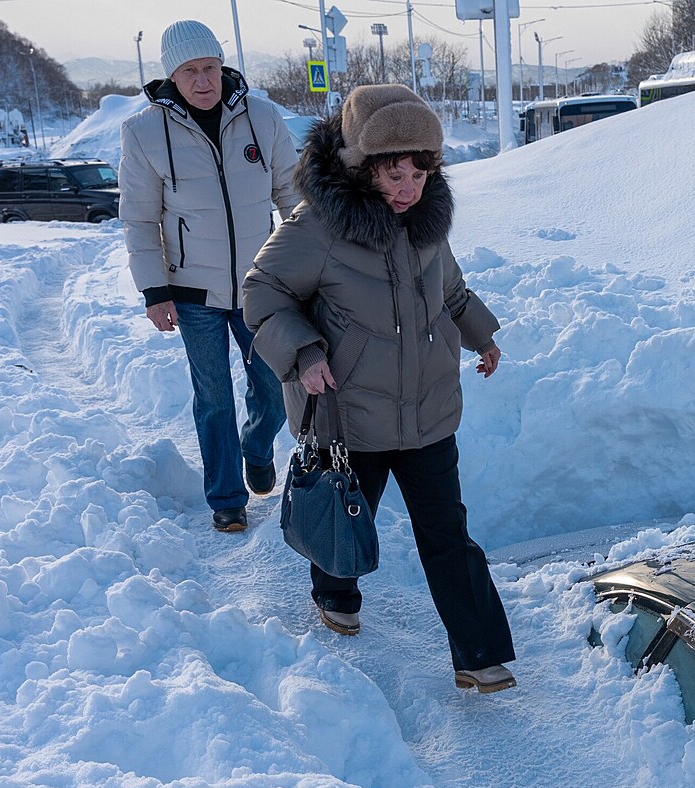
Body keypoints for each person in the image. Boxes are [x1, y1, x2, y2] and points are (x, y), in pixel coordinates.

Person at [242, 85, 516, 694]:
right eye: (396, 174)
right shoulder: (317, 227)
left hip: (428, 410)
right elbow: (261, 292)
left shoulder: (426, 223)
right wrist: (304, 352)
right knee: (345, 514)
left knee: (447, 533)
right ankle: (335, 591)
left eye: (421, 173)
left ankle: (478, 654)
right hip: (350, 413)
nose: (410, 188)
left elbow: (450, 290)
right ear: (361, 165)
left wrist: (481, 335)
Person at [120, 20, 300, 532]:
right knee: (214, 396)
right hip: (191, 291)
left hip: (259, 286)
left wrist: (310, 265)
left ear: (223, 66)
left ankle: (256, 447)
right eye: (190, 71)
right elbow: (139, 219)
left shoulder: (262, 117)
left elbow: (292, 195)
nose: (203, 81)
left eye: (210, 68)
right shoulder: (143, 132)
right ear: (171, 77)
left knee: (274, 386)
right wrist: (154, 291)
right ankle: (226, 498)